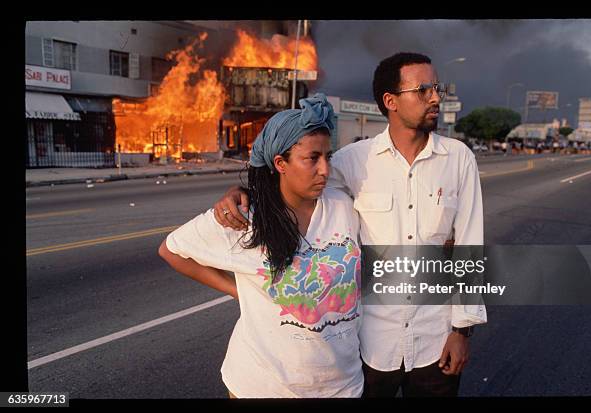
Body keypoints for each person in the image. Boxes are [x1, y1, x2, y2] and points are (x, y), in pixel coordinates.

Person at [214, 52, 487, 398]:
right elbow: (294, 188)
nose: (435, 97)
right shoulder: (351, 162)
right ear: (390, 101)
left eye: (437, 89)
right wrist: (243, 194)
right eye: (423, 90)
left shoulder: (459, 159)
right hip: (369, 345)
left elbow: (469, 245)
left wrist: (461, 332)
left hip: (435, 341)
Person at [159, 93, 363, 398]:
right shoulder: (246, 219)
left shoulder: (343, 204)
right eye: (312, 158)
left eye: (328, 157)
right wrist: (235, 289)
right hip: (263, 386)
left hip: (341, 387)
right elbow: (171, 250)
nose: (325, 169)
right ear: (280, 162)